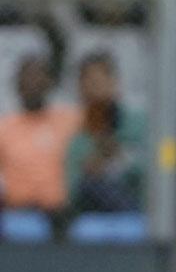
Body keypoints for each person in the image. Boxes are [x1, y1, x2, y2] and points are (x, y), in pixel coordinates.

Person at [0, 55, 80, 224]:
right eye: (27, 78)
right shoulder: (4, 128)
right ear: (17, 85)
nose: (33, 84)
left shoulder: (70, 120)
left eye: (38, 77)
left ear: (50, 83)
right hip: (16, 212)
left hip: (60, 215)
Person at [65, 51, 146, 214]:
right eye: (87, 83)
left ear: (113, 83)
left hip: (138, 208)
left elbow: (156, 168)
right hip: (90, 213)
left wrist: (119, 161)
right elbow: (69, 188)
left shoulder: (140, 124)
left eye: (98, 82)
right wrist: (90, 169)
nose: (93, 90)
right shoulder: (74, 134)